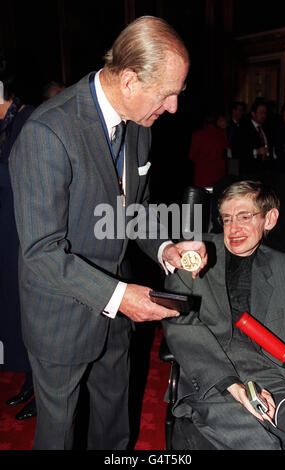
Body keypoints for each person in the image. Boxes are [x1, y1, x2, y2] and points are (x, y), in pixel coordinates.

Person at [8, 16, 207, 450]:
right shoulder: (48, 132)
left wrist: (166, 247)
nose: (174, 107)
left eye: (179, 93)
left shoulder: (139, 125)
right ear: (131, 79)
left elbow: (131, 211)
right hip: (61, 317)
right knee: (58, 434)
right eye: (168, 93)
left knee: (114, 427)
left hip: (117, 317)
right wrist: (120, 296)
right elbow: (41, 253)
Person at [162, 180, 285, 450]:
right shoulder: (191, 255)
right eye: (227, 219)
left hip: (273, 376)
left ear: (269, 219)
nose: (234, 229)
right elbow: (180, 325)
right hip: (212, 377)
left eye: (245, 217)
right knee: (258, 444)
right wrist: (231, 384)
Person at [0, 70, 36, 421]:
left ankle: (41, 386)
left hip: (24, 233)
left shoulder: (29, 119)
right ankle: (30, 379)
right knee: (14, 309)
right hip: (5, 230)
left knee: (29, 311)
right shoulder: (6, 125)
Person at [188, 113, 230, 188]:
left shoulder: (197, 134)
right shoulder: (222, 133)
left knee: (203, 197)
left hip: (202, 174)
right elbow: (227, 151)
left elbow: (192, 156)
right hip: (218, 173)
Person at [240, 101, 274, 175]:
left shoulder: (267, 127)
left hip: (266, 169)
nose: (264, 115)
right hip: (250, 170)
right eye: (261, 113)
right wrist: (256, 152)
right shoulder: (244, 129)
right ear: (253, 114)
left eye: (265, 113)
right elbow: (238, 150)